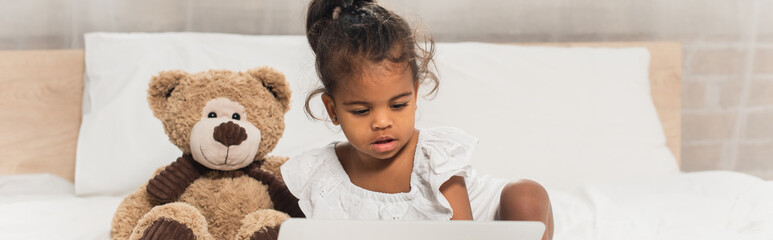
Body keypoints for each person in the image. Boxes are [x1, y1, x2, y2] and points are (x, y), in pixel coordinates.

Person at [281, 0, 554, 239]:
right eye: (362, 111)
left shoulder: (434, 158)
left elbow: (463, 233)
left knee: (527, 195)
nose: (382, 122)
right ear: (332, 110)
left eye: (398, 105)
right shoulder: (321, 174)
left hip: (476, 225)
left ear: (415, 93)